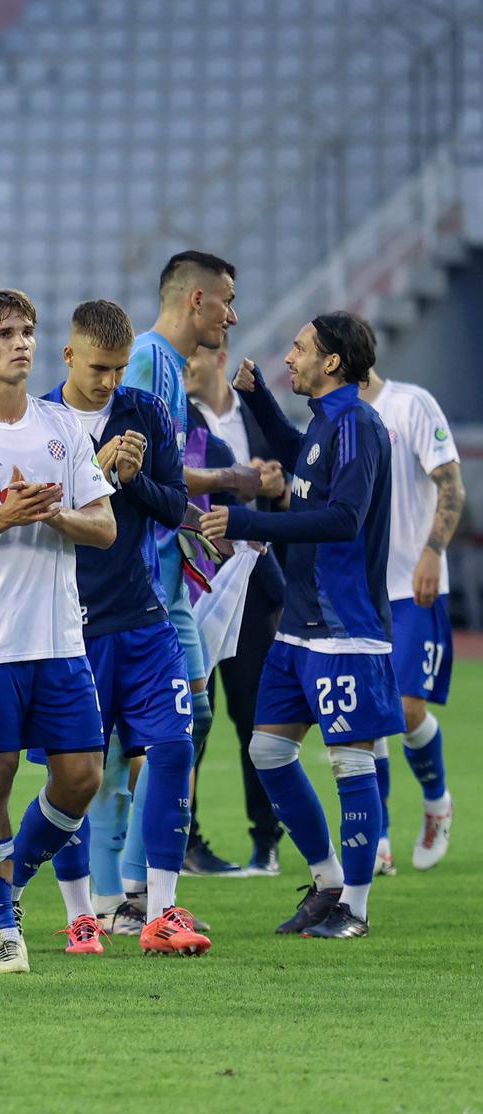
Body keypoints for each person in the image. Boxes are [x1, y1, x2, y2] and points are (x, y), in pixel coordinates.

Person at [199, 313, 403, 938]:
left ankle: (357, 909)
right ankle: (327, 880)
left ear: (333, 362)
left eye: (300, 348)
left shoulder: (359, 426)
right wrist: (258, 400)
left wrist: (247, 524)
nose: (291, 357)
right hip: (300, 625)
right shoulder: (325, 424)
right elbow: (301, 466)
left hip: (344, 629)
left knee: (350, 761)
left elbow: (342, 518)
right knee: (268, 749)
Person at [0, 289, 115, 976]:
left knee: (82, 776)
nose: (20, 343)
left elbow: (104, 528)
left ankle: (8, 878)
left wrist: (51, 517)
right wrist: (5, 516)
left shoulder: (61, 428)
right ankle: (1, 931)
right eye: (3, 334)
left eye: (26, 332)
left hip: (61, 639)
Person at [40, 300, 209, 955]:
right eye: (97, 368)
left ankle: (161, 911)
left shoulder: (148, 412)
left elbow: (174, 510)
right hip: (66, 625)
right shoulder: (42, 421)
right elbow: (39, 504)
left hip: (142, 616)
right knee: (77, 774)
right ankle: (82, 915)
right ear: (69, 357)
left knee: (172, 747)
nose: (109, 382)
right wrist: (96, 463)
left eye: (116, 369)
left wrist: (133, 480)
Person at [125, 251, 259, 875]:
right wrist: (233, 478)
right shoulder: (148, 358)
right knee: (128, 742)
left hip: (172, 574)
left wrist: (197, 529)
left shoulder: (175, 370)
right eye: (226, 299)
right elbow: (143, 468)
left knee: (192, 719)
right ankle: (125, 883)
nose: (232, 314)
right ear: (196, 299)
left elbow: (166, 480)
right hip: (141, 580)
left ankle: (139, 875)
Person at [185, 343, 289, 876]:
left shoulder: (260, 415)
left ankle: (265, 840)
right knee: (192, 719)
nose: (183, 367)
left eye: (192, 357)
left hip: (252, 580)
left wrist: (278, 485)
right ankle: (187, 839)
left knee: (256, 718)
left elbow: (297, 490)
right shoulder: (178, 416)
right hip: (197, 582)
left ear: (218, 355)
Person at [362, 367, 464, 870]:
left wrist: (432, 554)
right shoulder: (334, 417)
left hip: (412, 587)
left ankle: (437, 801)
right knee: (369, 715)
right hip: (360, 593)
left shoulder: (411, 404)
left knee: (405, 710)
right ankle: (378, 838)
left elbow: (451, 486)